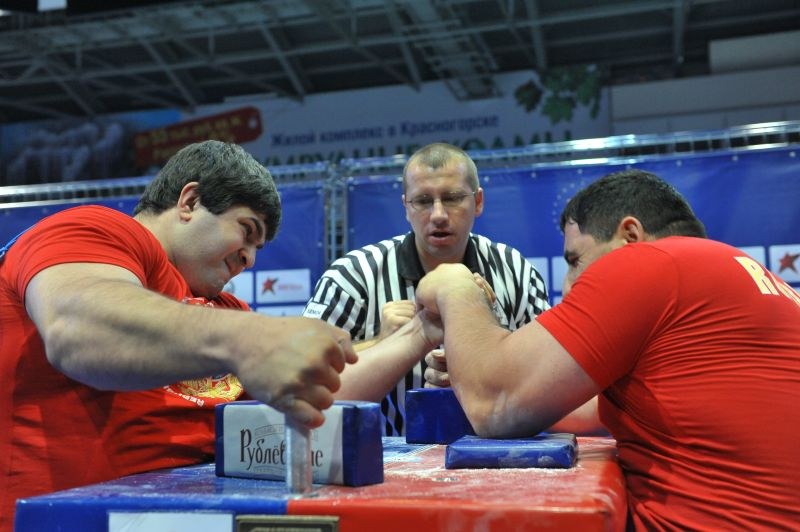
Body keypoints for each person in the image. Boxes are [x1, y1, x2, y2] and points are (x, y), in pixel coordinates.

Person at [0, 140, 357, 530]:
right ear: (189, 202)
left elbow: (322, 390)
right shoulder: (96, 230)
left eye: (258, 248)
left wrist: (411, 335)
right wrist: (245, 338)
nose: (249, 260)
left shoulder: (227, 311)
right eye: (246, 231)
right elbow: (75, 329)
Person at [415, 169, 800, 530]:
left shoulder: (652, 263)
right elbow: (582, 406)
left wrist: (454, 283)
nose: (568, 286)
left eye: (575, 260)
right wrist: (475, 372)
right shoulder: (738, 271)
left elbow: (495, 406)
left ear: (629, 236)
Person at [302, 142, 550, 435]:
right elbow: (304, 379)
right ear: (406, 207)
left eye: (453, 198)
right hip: (383, 462)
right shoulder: (352, 277)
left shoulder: (516, 272)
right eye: (422, 201)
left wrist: (490, 341)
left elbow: (547, 376)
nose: (438, 215)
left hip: (497, 455)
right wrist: (381, 343)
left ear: (478, 202)